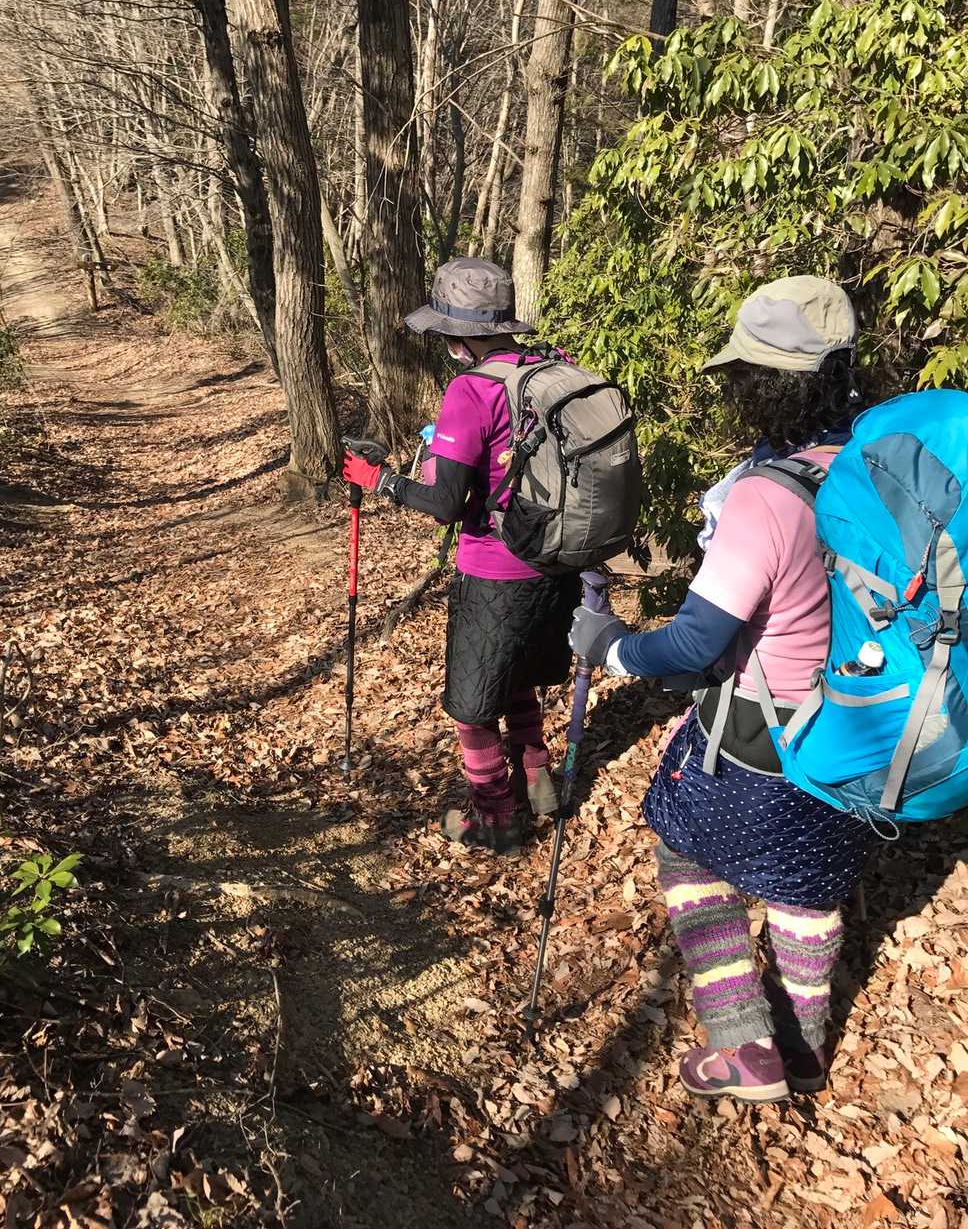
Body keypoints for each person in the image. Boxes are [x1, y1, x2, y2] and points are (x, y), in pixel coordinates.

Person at [569, 276, 874, 1103]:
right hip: (868, 733)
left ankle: (746, 1044)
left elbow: (696, 643)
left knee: (683, 844)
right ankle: (805, 1046)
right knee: (807, 881)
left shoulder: (767, 496)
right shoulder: (878, 469)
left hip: (767, 737)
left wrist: (613, 647)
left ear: (765, 385)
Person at [342, 258, 580, 856]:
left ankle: (496, 820)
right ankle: (539, 781)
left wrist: (380, 480)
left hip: (495, 568)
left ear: (459, 334)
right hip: (557, 561)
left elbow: (446, 504)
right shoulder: (551, 370)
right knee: (517, 674)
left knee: (472, 706)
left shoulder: (472, 389)